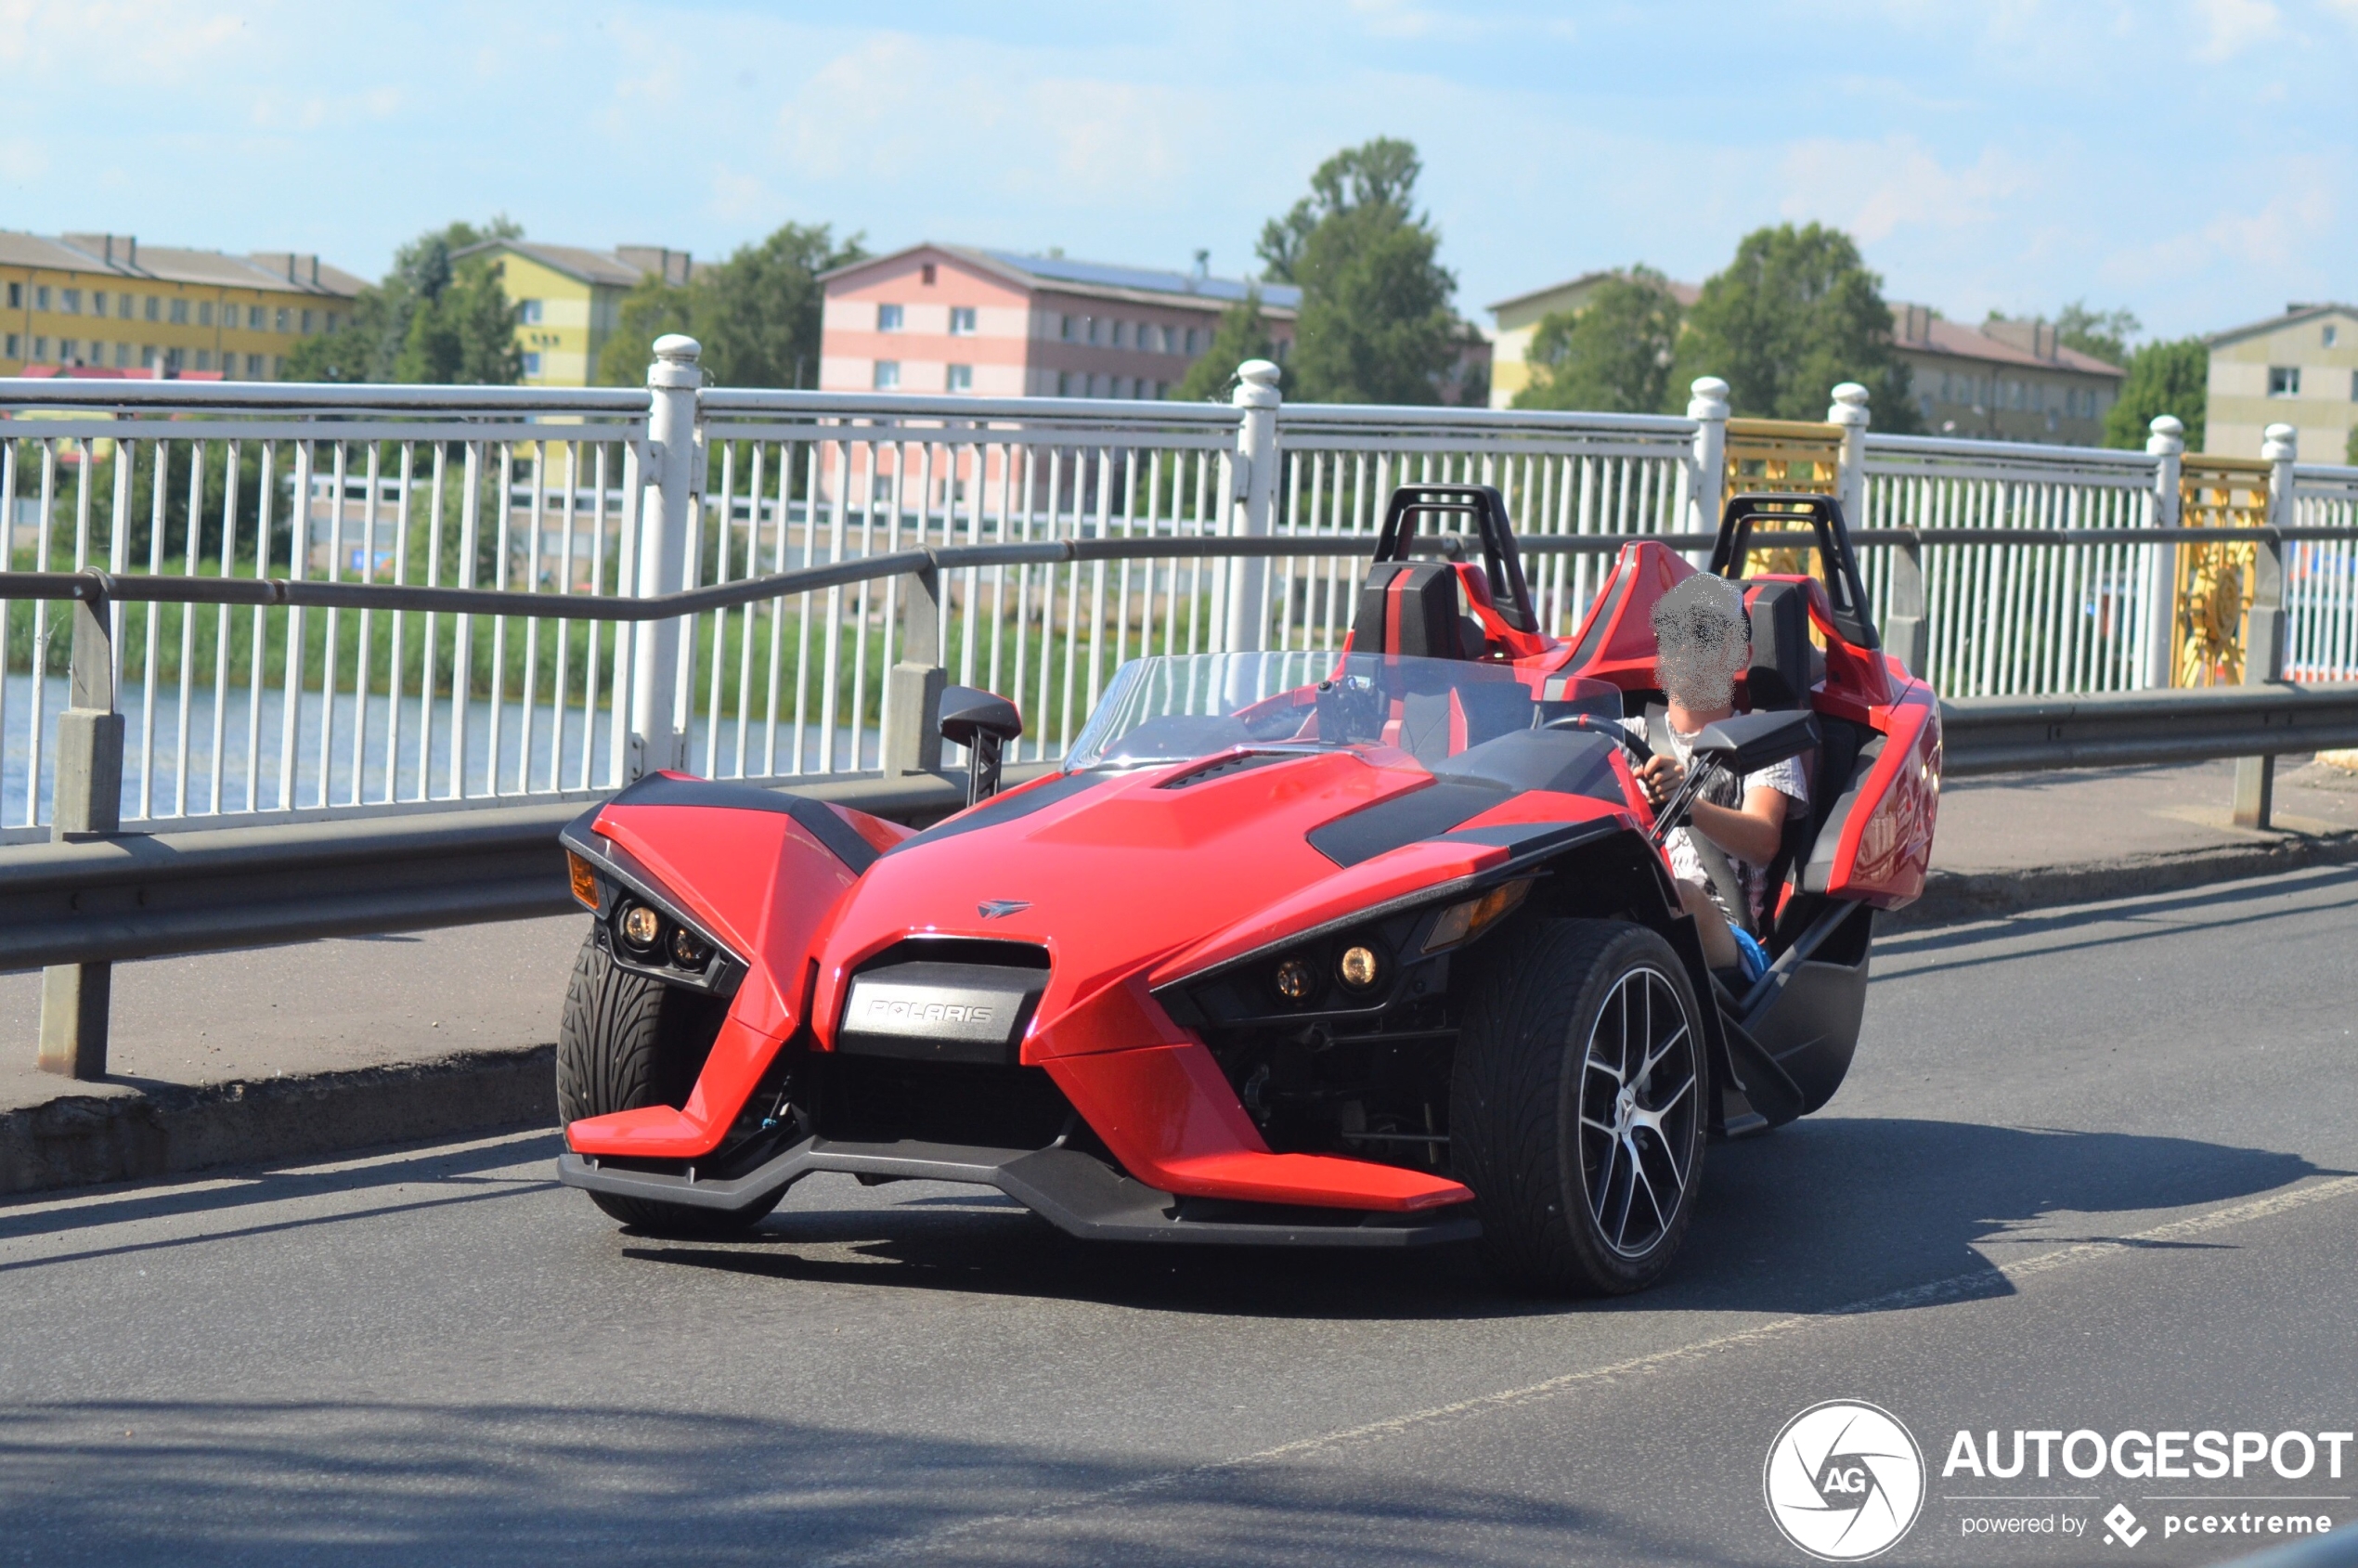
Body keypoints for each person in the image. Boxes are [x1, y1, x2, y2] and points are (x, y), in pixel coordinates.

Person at [1624, 574, 1807, 978]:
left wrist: (1686, 806)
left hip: (1729, 935)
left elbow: (1764, 841)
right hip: (1631, 911)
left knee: (1677, 895)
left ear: (1741, 655)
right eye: (1675, 634)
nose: (1687, 648)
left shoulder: (1761, 742)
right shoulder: (1625, 737)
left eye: (1703, 634)